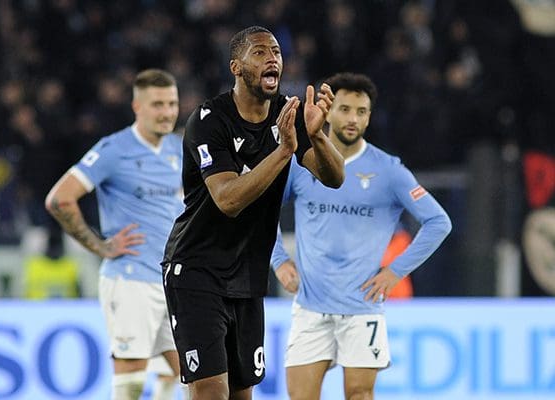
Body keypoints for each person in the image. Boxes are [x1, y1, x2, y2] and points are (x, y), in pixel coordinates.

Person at [161, 26, 345, 400]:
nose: (272, 58)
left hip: (246, 274)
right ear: (236, 66)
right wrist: (283, 151)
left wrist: (318, 135)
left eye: (276, 51)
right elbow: (227, 200)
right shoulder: (209, 119)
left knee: (242, 394)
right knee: (211, 390)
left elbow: (334, 177)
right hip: (196, 268)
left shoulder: (288, 114)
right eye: (259, 52)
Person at [271, 72, 452, 400]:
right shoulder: (301, 164)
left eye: (361, 111)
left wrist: (395, 271)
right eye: (344, 109)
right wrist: (279, 259)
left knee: (359, 395)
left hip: (362, 309)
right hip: (310, 306)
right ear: (328, 112)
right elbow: (263, 212)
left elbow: (439, 222)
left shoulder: (389, 170)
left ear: (369, 117)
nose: (353, 119)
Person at [45, 69, 185, 400]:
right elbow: (59, 199)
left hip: (175, 281)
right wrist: (100, 246)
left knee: (190, 373)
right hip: (131, 279)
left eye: (172, 104)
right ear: (137, 107)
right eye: (158, 104)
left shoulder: (179, 149)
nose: (167, 112)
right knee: (132, 379)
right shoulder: (113, 149)